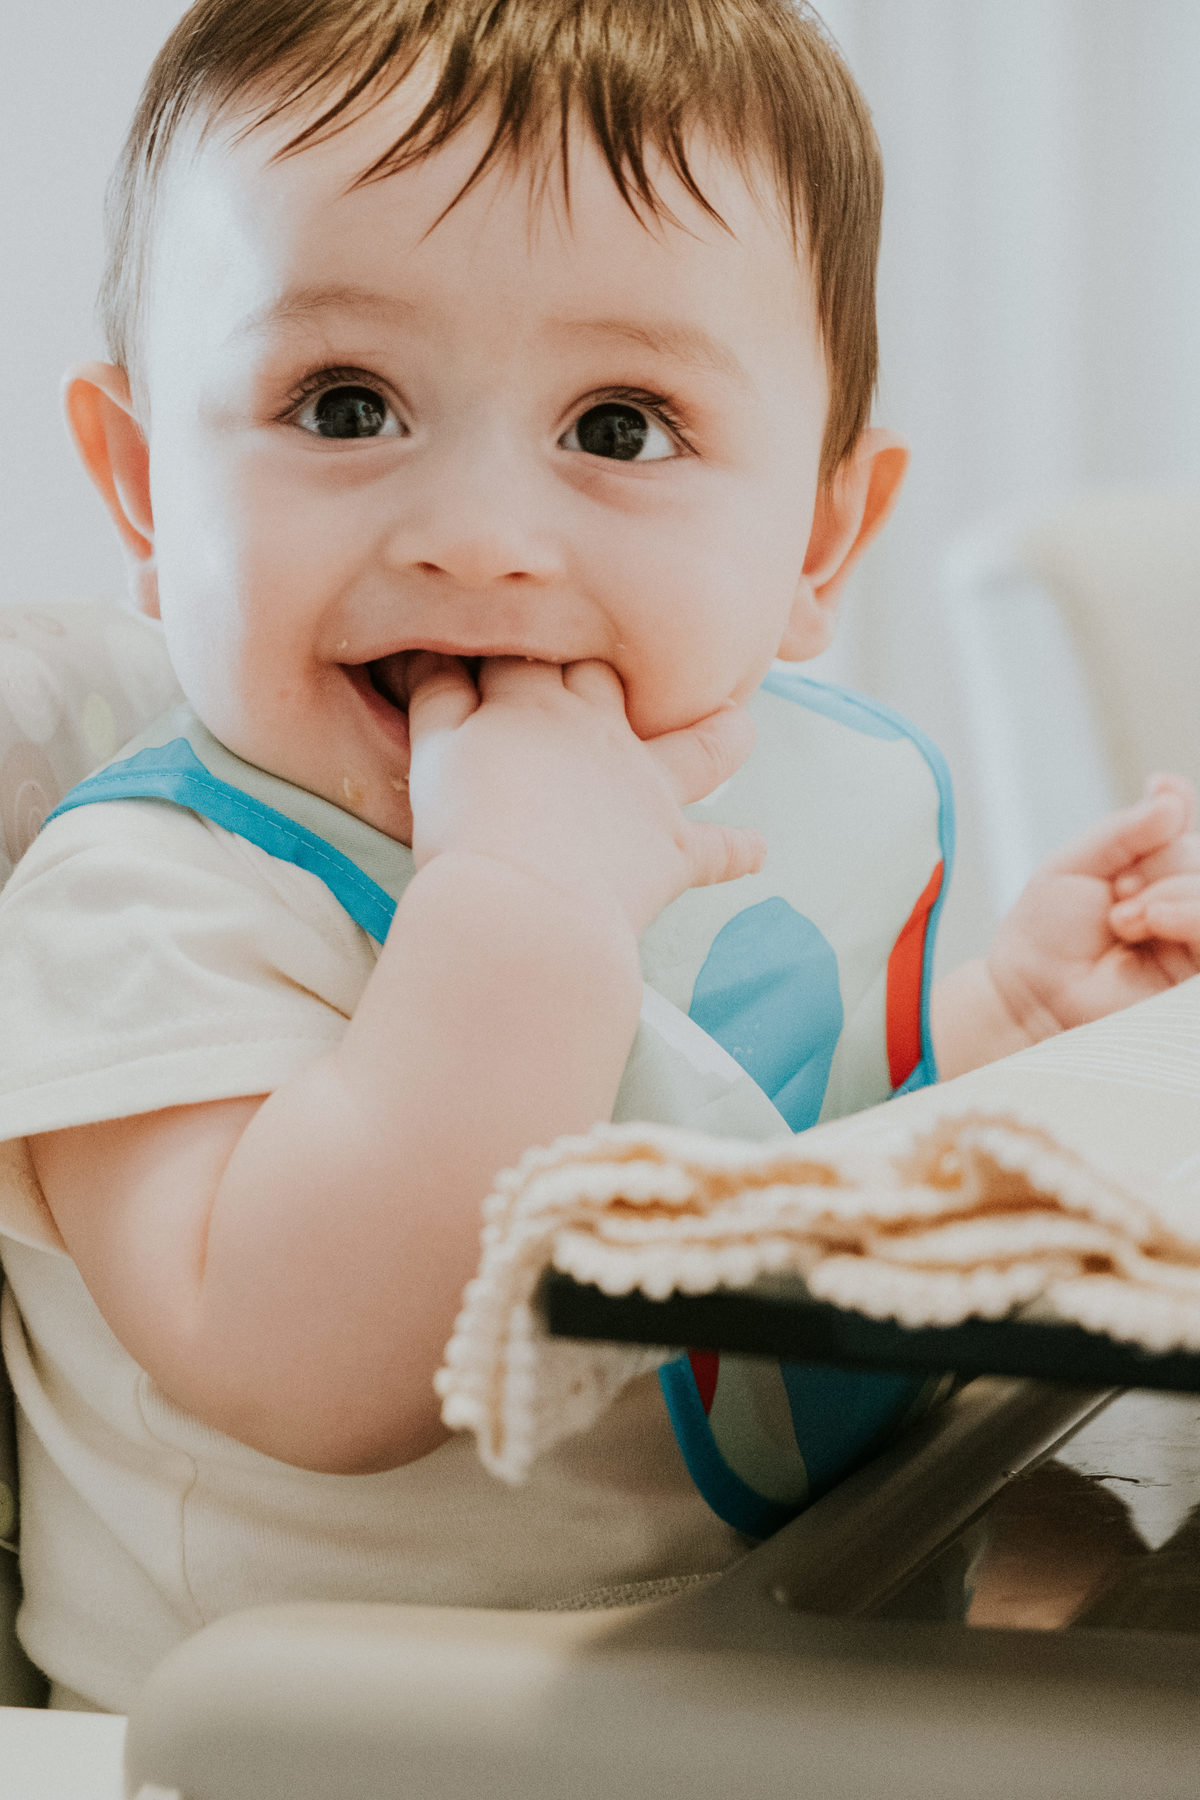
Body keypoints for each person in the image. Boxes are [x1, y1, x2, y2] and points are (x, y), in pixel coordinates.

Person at [2, 0, 1199, 1714]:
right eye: (343, 405)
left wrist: (1012, 1028)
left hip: (791, 1654)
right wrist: (525, 903)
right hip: (301, 1739)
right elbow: (314, 1362)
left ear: (818, 537)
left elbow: (777, 1140)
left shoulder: (790, 790)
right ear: (139, 491)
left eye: (620, 427)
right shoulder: (150, 903)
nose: (483, 541)